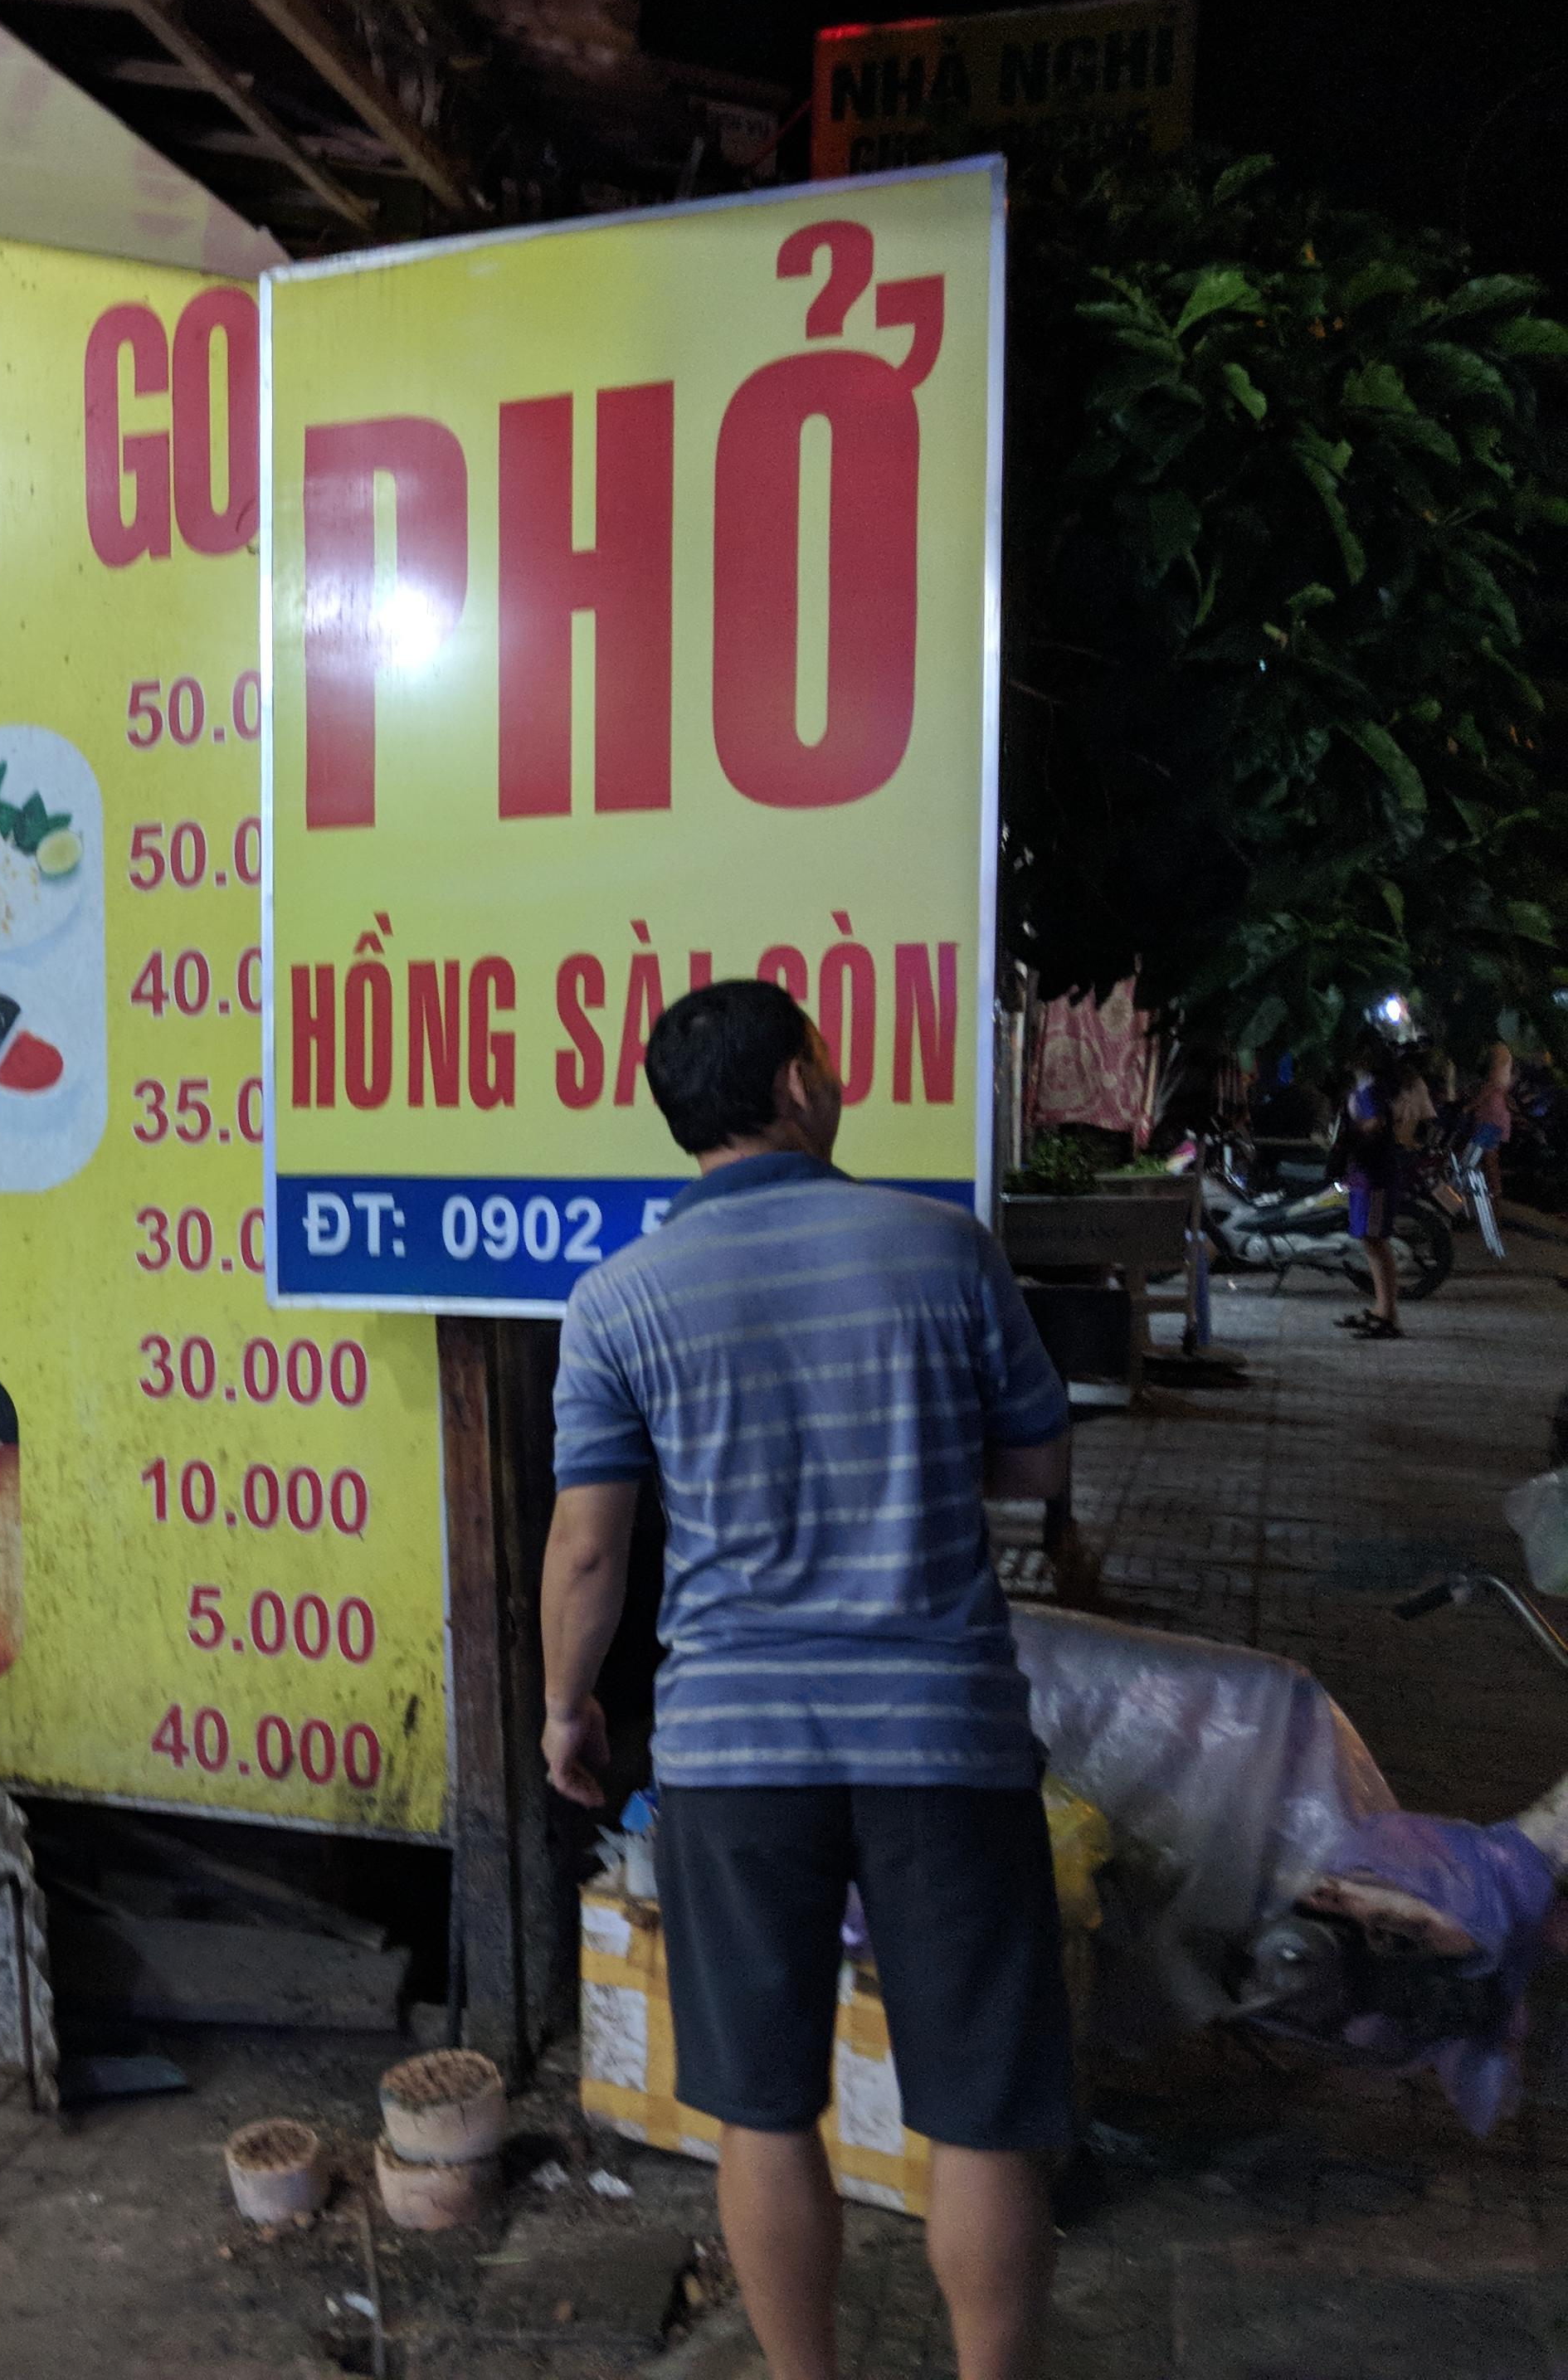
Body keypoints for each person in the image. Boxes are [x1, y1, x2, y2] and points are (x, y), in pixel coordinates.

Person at [541, 979, 1074, 2380]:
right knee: (979, 2109)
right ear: (793, 1086)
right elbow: (1035, 1465)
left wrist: (566, 1708)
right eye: (824, 1057)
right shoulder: (943, 1248)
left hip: (733, 1750)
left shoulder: (616, 1302)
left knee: (763, 2109)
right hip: (944, 1738)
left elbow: (589, 1555)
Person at [1337, 1044, 1407, 1340]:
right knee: (1371, 1242)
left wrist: (1351, 1134)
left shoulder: (1373, 1090)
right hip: (1366, 1174)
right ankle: (1382, 1310)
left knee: (1376, 1240)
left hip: (1375, 1175)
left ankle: (1389, 1314)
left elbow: (1376, 1123)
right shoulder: (1368, 1087)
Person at [1471, 1041, 1517, 1212]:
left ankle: (1494, 1204)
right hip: (1493, 1113)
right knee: (1488, 1159)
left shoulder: (1498, 1052)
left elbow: (1493, 1085)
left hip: (1491, 1114)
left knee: (1488, 1158)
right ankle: (1492, 1202)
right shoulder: (1503, 1054)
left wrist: (1471, 1105)